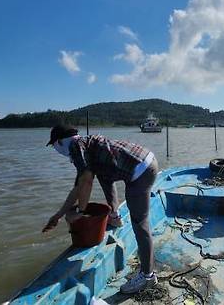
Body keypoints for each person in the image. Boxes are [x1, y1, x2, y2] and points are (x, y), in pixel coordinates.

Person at [41, 124, 159, 294]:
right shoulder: (85, 145)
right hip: (145, 160)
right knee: (104, 174)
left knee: (140, 222)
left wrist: (80, 213)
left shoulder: (75, 147)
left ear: (60, 142)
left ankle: (147, 276)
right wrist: (59, 215)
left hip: (141, 170)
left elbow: (87, 182)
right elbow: (78, 187)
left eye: (54, 145)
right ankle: (115, 215)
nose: (55, 149)